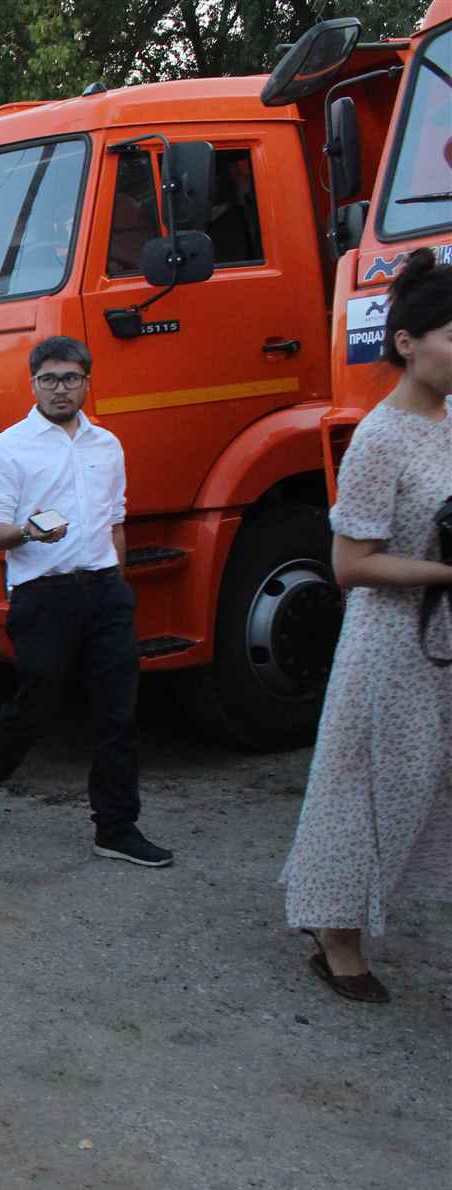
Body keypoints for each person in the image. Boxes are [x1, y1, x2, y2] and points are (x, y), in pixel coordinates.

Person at [281, 249, 452, 1003]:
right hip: (389, 646)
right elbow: (350, 565)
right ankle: (334, 933)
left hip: (442, 639)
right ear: (408, 343)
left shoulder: (450, 420)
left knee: (431, 784)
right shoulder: (379, 438)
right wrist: (446, 574)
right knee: (363, 788)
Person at [0, 338, 173, 868]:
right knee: (41, 703)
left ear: (87, 382)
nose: (61, 389)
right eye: (50, 379)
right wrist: (30, 532)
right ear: (33, 384)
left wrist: (119, 584)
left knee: (118, 712)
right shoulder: (10, 447)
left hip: (104, 590)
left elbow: (115, 520)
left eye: (71, 378)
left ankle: (116, 827)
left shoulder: (107, 444)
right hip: (43, 593)